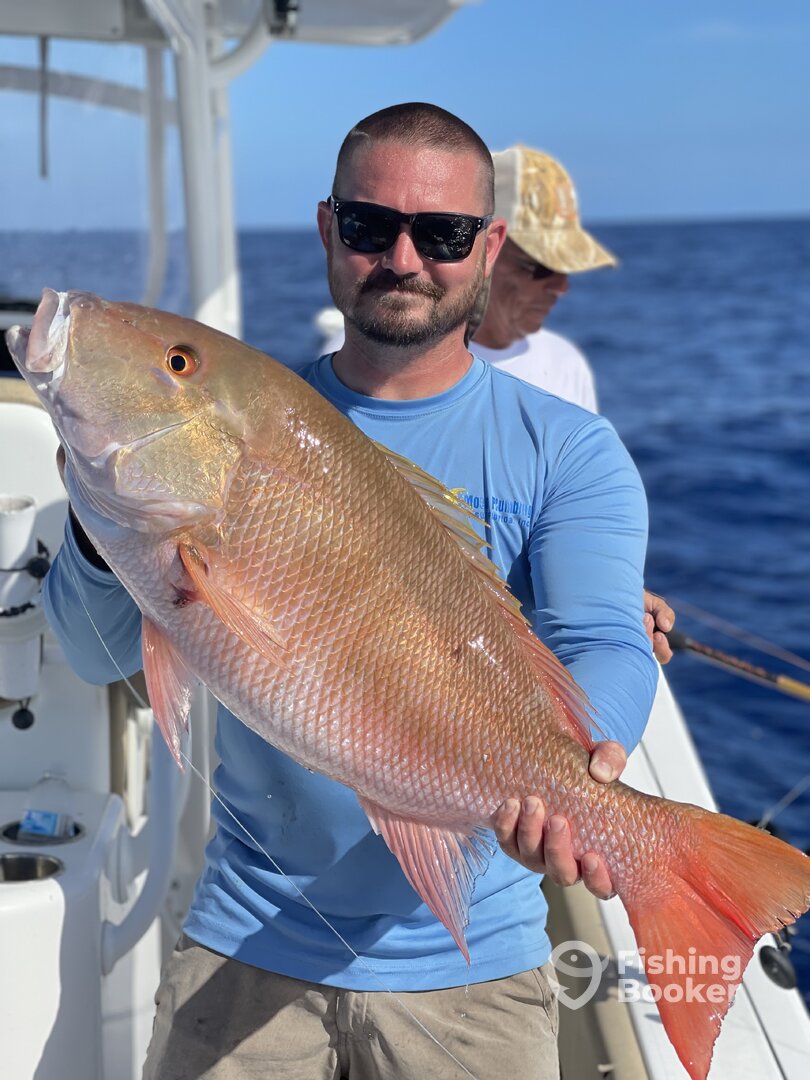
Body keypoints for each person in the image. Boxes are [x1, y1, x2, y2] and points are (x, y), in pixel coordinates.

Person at [44, 103, 658, 1079]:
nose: (403, 258)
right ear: (330, 227)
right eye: (372, 227)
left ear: (491, 246)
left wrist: (591, 780)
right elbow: (96, 653)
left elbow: (607, 638)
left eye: (443, 234)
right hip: (243, 940)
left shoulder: (568, 449)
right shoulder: (238, 422)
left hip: (477, 974)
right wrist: (99, 500)